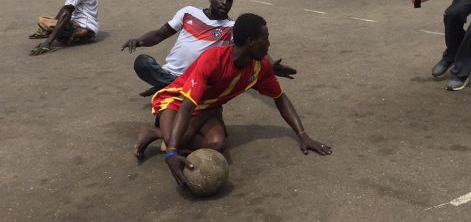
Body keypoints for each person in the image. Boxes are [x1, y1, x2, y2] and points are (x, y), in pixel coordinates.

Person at [133, 13, 331, 192]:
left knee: (217, 144)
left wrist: (303, 135)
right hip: (177, 101)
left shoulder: (259, 68)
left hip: (208, 107)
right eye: (266, 39)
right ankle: (155, 133)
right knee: (173, 142)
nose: (269, 44)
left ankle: (165, 135)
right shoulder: (213, 59)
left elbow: (280, 98)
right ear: (251, 42)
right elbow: (187, 105)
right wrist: (172, 152)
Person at [121, 0, 296, 97]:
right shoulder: (188, 12)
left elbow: (254, 45)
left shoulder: (232, 27)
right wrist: (139, 41)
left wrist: (271, 66)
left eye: (229, 1)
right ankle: (171, 86)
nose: (225, 3)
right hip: (169, 72)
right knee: (142, 62)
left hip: (197, 80)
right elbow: (160, 34)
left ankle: (168, 88)